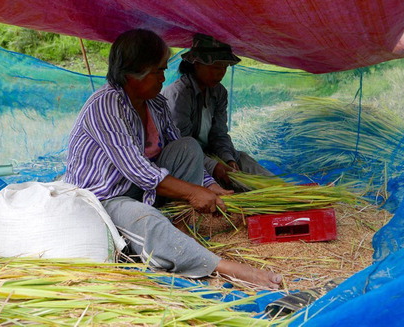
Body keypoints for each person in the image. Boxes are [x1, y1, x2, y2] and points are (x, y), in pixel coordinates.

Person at [65, 28, 282, 289]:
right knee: (145, 219)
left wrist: (209, 184)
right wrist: (193, 193)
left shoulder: (154, 102)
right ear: (133, 73)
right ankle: (221, 267)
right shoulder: (107, 105)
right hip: (106, 196)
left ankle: (178, 224)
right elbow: (139, 171)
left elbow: (178, 146)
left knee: (188, 146)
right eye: (158, 71)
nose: (163, 78)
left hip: (141, 188)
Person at [162, 33, 274, 189]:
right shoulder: (179, 95)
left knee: (244, 162)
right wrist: (213, 166)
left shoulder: (219, 93)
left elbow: (219, 134)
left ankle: (283, 190)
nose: (220, 73)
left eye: (224, 67)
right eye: (215, 67)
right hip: (186, 160)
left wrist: (228, 160)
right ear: (197, 64)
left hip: (211, 155)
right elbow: (183, 145)